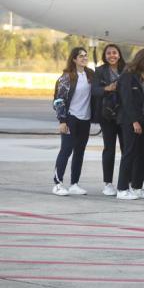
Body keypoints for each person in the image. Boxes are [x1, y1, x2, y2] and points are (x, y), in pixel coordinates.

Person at [52, 47, 95, 196]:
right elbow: (58, 100)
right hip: (71, 118)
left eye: (85, 56)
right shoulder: (66, 77)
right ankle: (58, 184)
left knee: (80, 152)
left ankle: (74, 184)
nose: (84, 58)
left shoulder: (90, 74)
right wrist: (62, 120)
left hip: (85, 119)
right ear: (74, 59)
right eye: (80, 56)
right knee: (66, 150)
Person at [115, 48, 144, 200]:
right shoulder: (127, 76)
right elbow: (127, 101)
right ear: (143, 61)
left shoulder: (140, 77)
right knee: (129, 153)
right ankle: (122, 188)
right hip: (129, 121)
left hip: (142, 119)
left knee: (141, 153)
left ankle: (137, 187)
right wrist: (134, 121)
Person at [92, 43, 126, 196]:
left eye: (114, 53)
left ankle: (126, 182)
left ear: (119, 54)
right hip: (107, 116)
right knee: (109, 149)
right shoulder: (100, 71)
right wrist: (107, 89)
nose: (112, 56)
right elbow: (94, 91)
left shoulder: (126, 69)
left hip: (124, 115)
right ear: (104, 57)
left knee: (127, 149)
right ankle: (108, 183)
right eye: (108, 53)